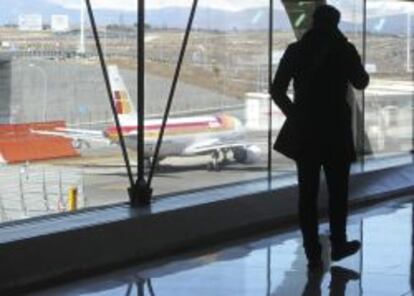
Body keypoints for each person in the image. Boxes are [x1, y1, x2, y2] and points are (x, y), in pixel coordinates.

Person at [271, 4, 369, 271]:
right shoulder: (342, 49)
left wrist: (296, 115)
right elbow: (361, 82)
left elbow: (276, 89)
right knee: (338, 192)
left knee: (307, 194)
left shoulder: (295, 50)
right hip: (336, 130)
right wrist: (348, 50)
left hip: (306, 132)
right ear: (335, 24)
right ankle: (338, 244)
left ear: (313, 22)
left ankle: (313, 253)